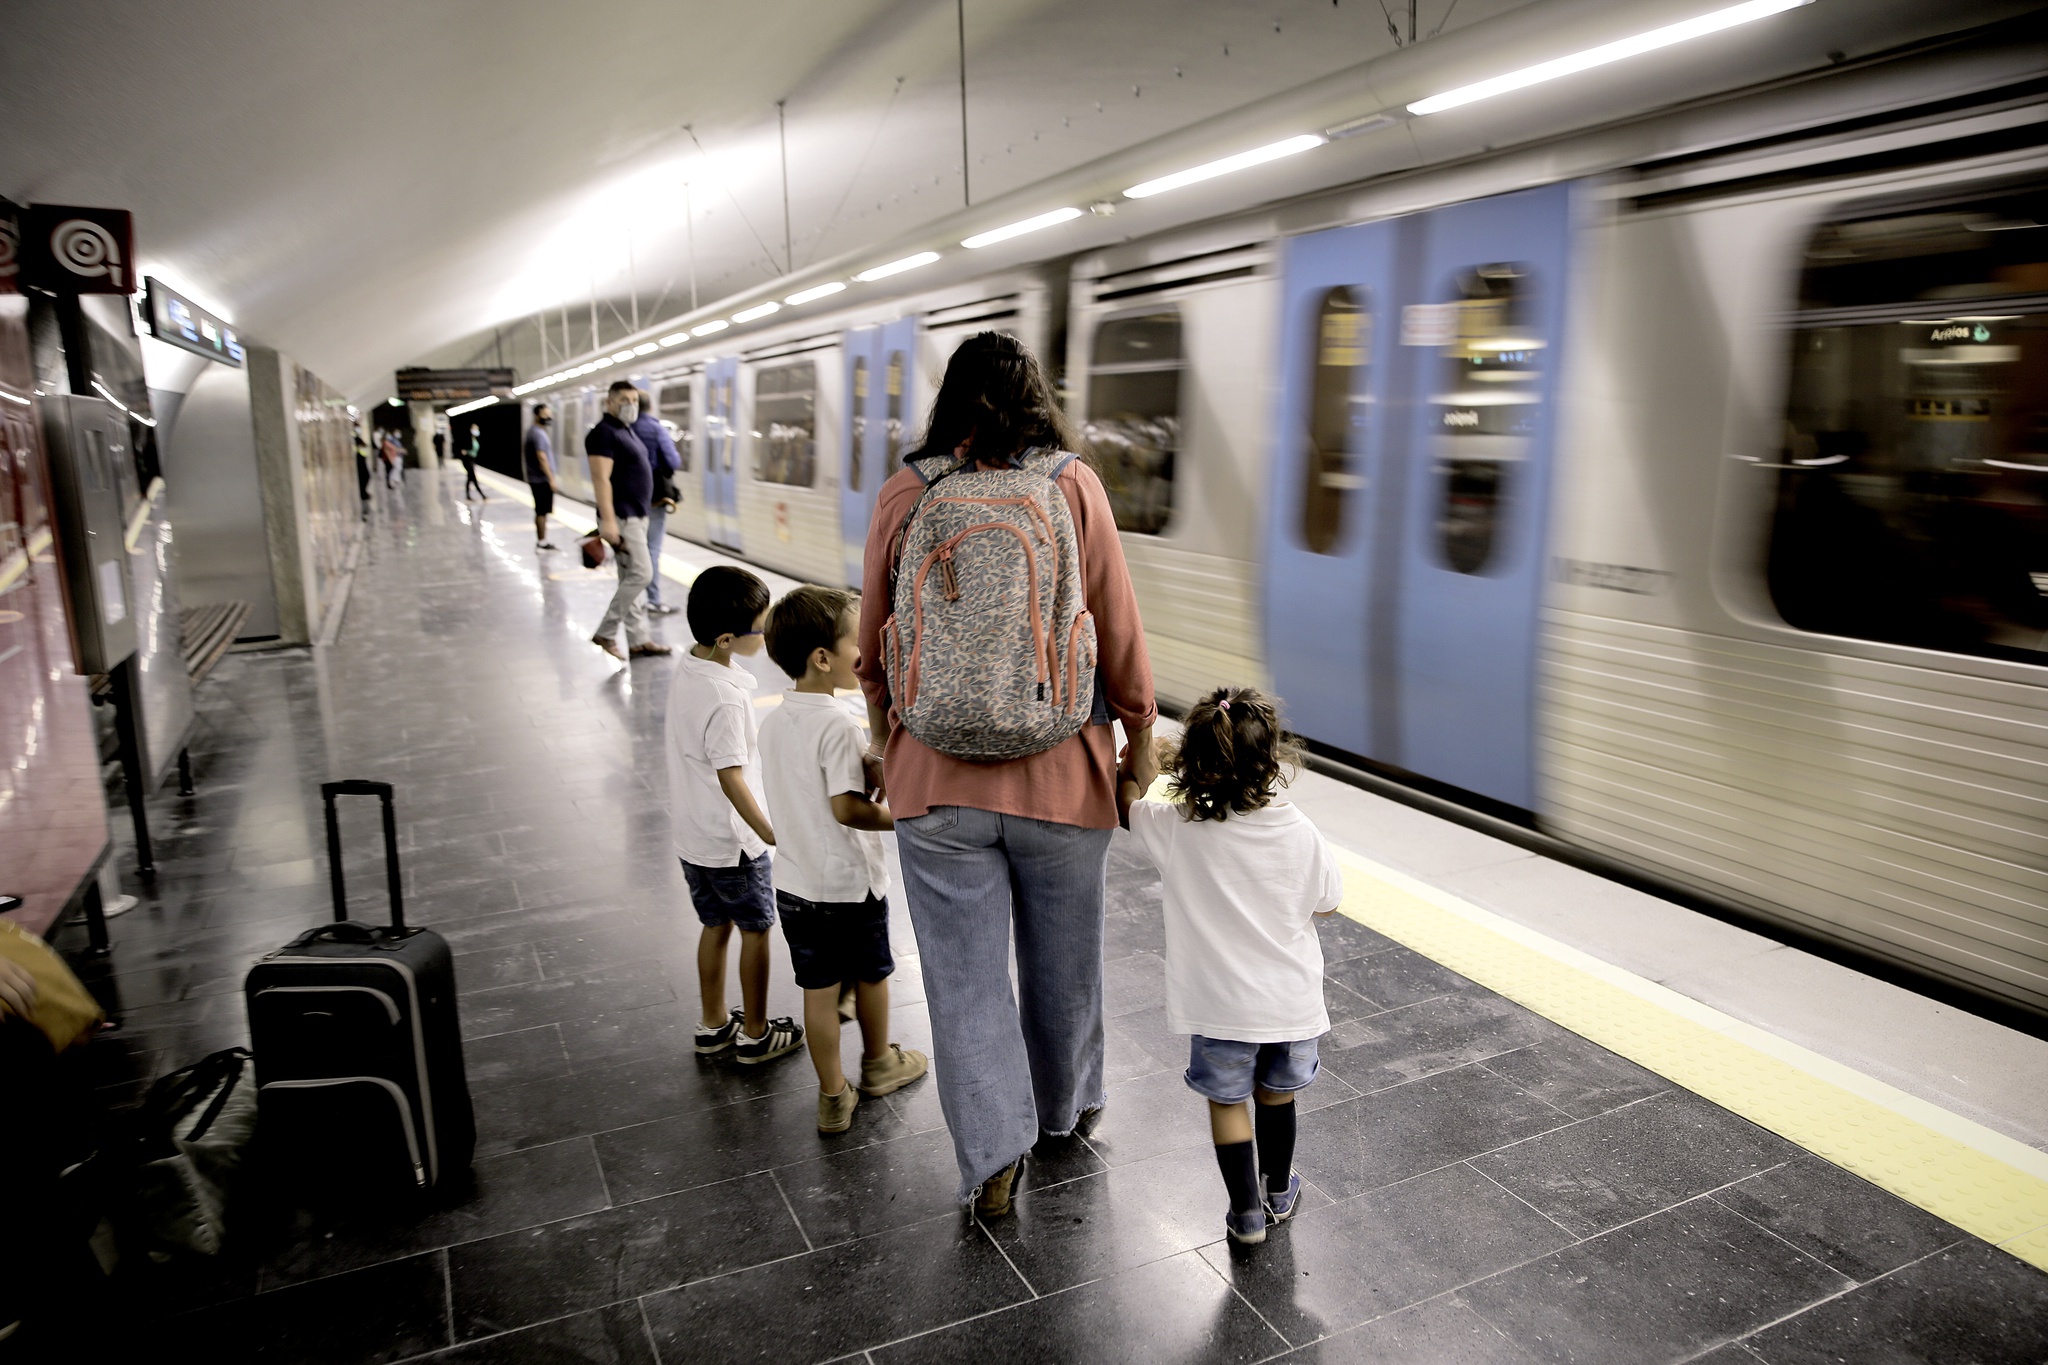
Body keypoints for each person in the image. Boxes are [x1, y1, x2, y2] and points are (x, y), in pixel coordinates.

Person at [855, 331, 1156, 1215]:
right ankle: (1062, 1112)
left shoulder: (907, 490)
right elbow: (1119, 626)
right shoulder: (1071, 483)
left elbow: (874, 645)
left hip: (934, 783)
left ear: (949, 399)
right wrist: (1138, 739)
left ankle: (992, 1158)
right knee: (1065, 964)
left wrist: (886, 743)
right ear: (1037, 400)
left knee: (961, 979)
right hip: (1062, 774)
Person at [1118, 687, 1342, 1246]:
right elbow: (1328, 902)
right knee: (1277, 1094)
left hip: (1218, 1008)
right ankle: (1279, 1191)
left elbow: (1124, 804)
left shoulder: (1176, 827)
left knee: (1228, 1102)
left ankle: (1244, 1216)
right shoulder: (1300, 831)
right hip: (1288, 1004)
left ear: (1195, 763)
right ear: (1274, 762)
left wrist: (1139, 763)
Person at [759, 586, 929, 1133]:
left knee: (818, 990)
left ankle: (833, 1096)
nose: (867, 653)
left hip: (794, 883)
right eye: (856, 641)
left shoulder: (776, 721)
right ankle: (879, 1063)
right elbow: (846, 809)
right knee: (875, 975)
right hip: (849, 886)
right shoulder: (835, 723)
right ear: (823, 658)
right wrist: (905, 820)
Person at [667, 565, 804, 1067]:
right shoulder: (725, 698)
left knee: (714, 924)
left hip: (693, 836)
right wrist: (772, 834)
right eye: (759, 627)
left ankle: (711, 1023)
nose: (766, 631)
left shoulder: (691, 668)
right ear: (727, 639)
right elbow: (732, 777)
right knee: (754, 929)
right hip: (733, 843)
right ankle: (756, 1032)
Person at [584, 380, 670, 659]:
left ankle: (637, 640)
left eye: (634, 400)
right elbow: (601, 479)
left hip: (637, 513)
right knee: (642, 574)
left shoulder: (625, 431)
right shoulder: (603, 434)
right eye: (624, 400)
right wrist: (608, 521)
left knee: (629, 577)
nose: (631, 405)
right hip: (622, 517)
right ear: (609, 403)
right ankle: (606, 632)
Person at [631, 389, 682, 616]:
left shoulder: (624, 428)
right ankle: (653, 600)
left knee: (633, 550)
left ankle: (634, 602)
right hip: (654, 497)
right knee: (651, 549)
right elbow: (673, 460)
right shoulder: (654, 428)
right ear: (650, 406)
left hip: (628, 499)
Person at [523, 403, 560, 549]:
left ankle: (542, 540)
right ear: (537, 415)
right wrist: (551, 478)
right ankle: (542, 542)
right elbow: (541, 457)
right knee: (541, 511)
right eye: (545, 414)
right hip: (540, 479)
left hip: (538, 479)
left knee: (542, 511)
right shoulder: (537, 434)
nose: (549, 417)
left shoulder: (534, 431)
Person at [460, 423, 486, 501]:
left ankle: (468, 496)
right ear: (471, 429)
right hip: (467, 460)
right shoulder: (467, 438)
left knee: (469, 478)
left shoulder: (474, 439)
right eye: (475, 429)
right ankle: (482, 495)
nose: (476, 431)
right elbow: (462, 449)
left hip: (472, 460)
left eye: (477, 429)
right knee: (473, 478)